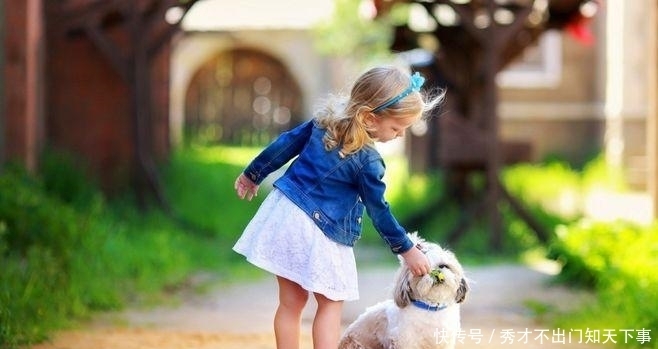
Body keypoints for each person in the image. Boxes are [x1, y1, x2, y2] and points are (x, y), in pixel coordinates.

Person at [233, 65, 444, 349]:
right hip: (321, 230)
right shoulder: (369, 162)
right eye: (397, 128)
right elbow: (379, 210)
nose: (399, 135)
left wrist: (253, 174)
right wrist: (407, 249)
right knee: (330, 303)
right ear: (370, 118)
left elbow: (285, 144)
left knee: (291, 302)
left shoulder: (323, 123)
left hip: (285, 216)